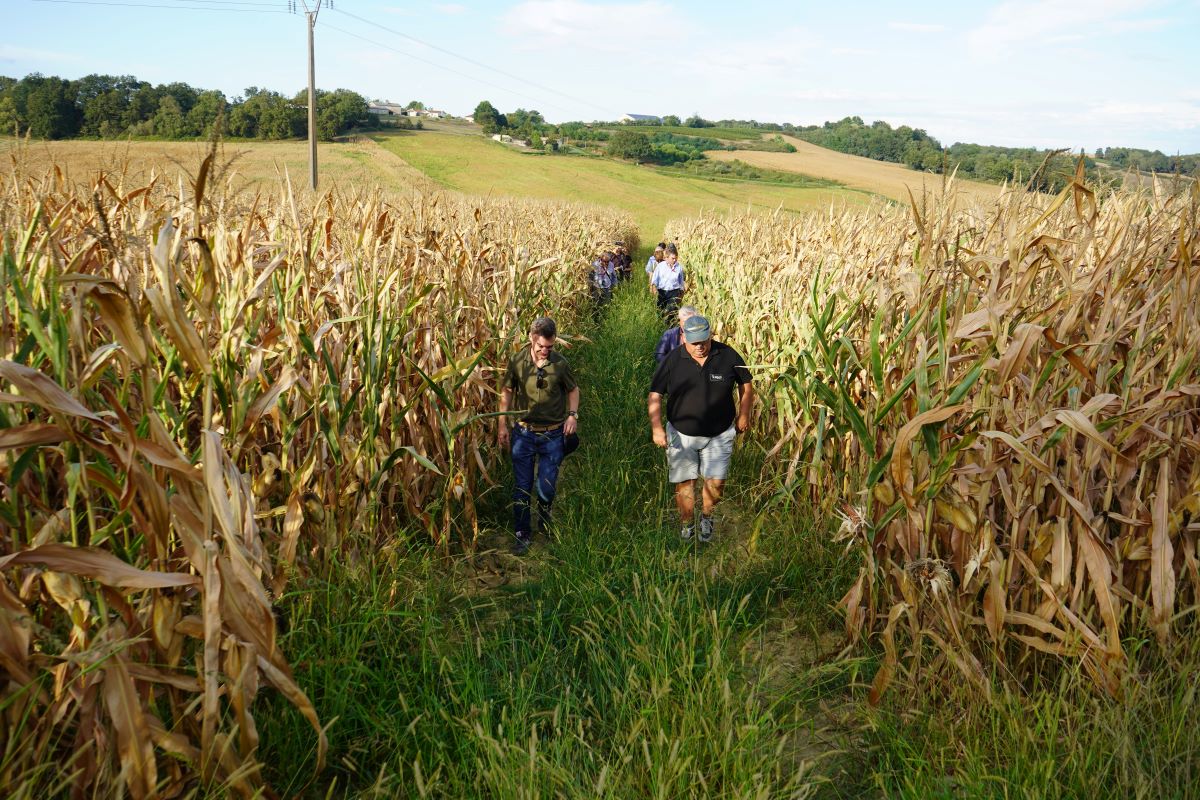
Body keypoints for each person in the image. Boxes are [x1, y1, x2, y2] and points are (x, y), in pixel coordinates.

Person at [648, 315, 753, 543]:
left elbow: (746, 383)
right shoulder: (673, 360)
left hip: (720, 433)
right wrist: (657, 428)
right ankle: (687, 525)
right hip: (681, 434)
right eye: (694, 342)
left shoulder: (727, 355)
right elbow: (655, 394)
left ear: (710, 335)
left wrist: (744, 414)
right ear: (683, 337)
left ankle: (706, 517)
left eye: (704, 341)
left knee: (716, 482)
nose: (700, 347)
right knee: (685, 482)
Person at [498, 317, 580, 554]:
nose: (545, 351)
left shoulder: (560, 364)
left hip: (553, 434)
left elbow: (573, 390)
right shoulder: (517, 362)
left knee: (546, 487)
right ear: (531, 340)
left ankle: (545, 514)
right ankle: (522, 533)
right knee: (522, 487)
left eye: (550, 347)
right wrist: (502, 425)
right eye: (540, 347)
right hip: (523, 434)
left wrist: (572, 415)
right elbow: (507, 392)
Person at [649, 243, 686, 319]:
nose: (675, 260)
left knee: (670, 312)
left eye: (676, 258)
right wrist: (654, 289)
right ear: (667, 257)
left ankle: (670, 326)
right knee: (660, 311)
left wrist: (681, 294)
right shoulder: (660, 266)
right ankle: (660, 326)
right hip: (662, 292)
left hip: (674, 292)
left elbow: (681, 282)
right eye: (673, 258)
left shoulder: (679, 267)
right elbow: (654, 280)